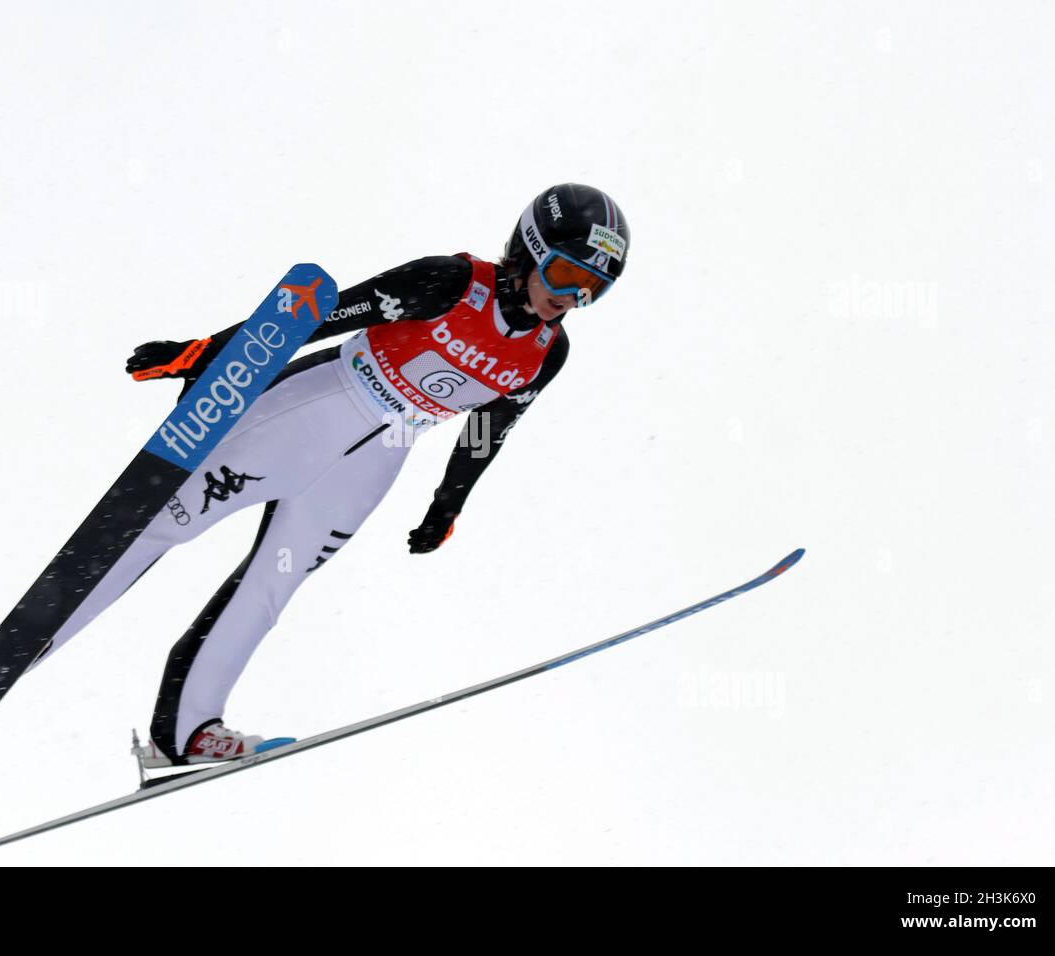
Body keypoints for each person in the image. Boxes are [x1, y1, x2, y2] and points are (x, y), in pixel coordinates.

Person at [31, 183, 630, 768]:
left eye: (591, 290)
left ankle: (185, 730)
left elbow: (487, 430)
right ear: (527, 251)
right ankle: (31, 641)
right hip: (309, 410)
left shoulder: (546, 352)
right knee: (162, 526)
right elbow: (316, 317)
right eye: (564, 275)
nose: (571, 297)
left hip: (376, 462)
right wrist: (207, 350)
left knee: (274, 582)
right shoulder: (449, 282)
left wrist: (447, 506)